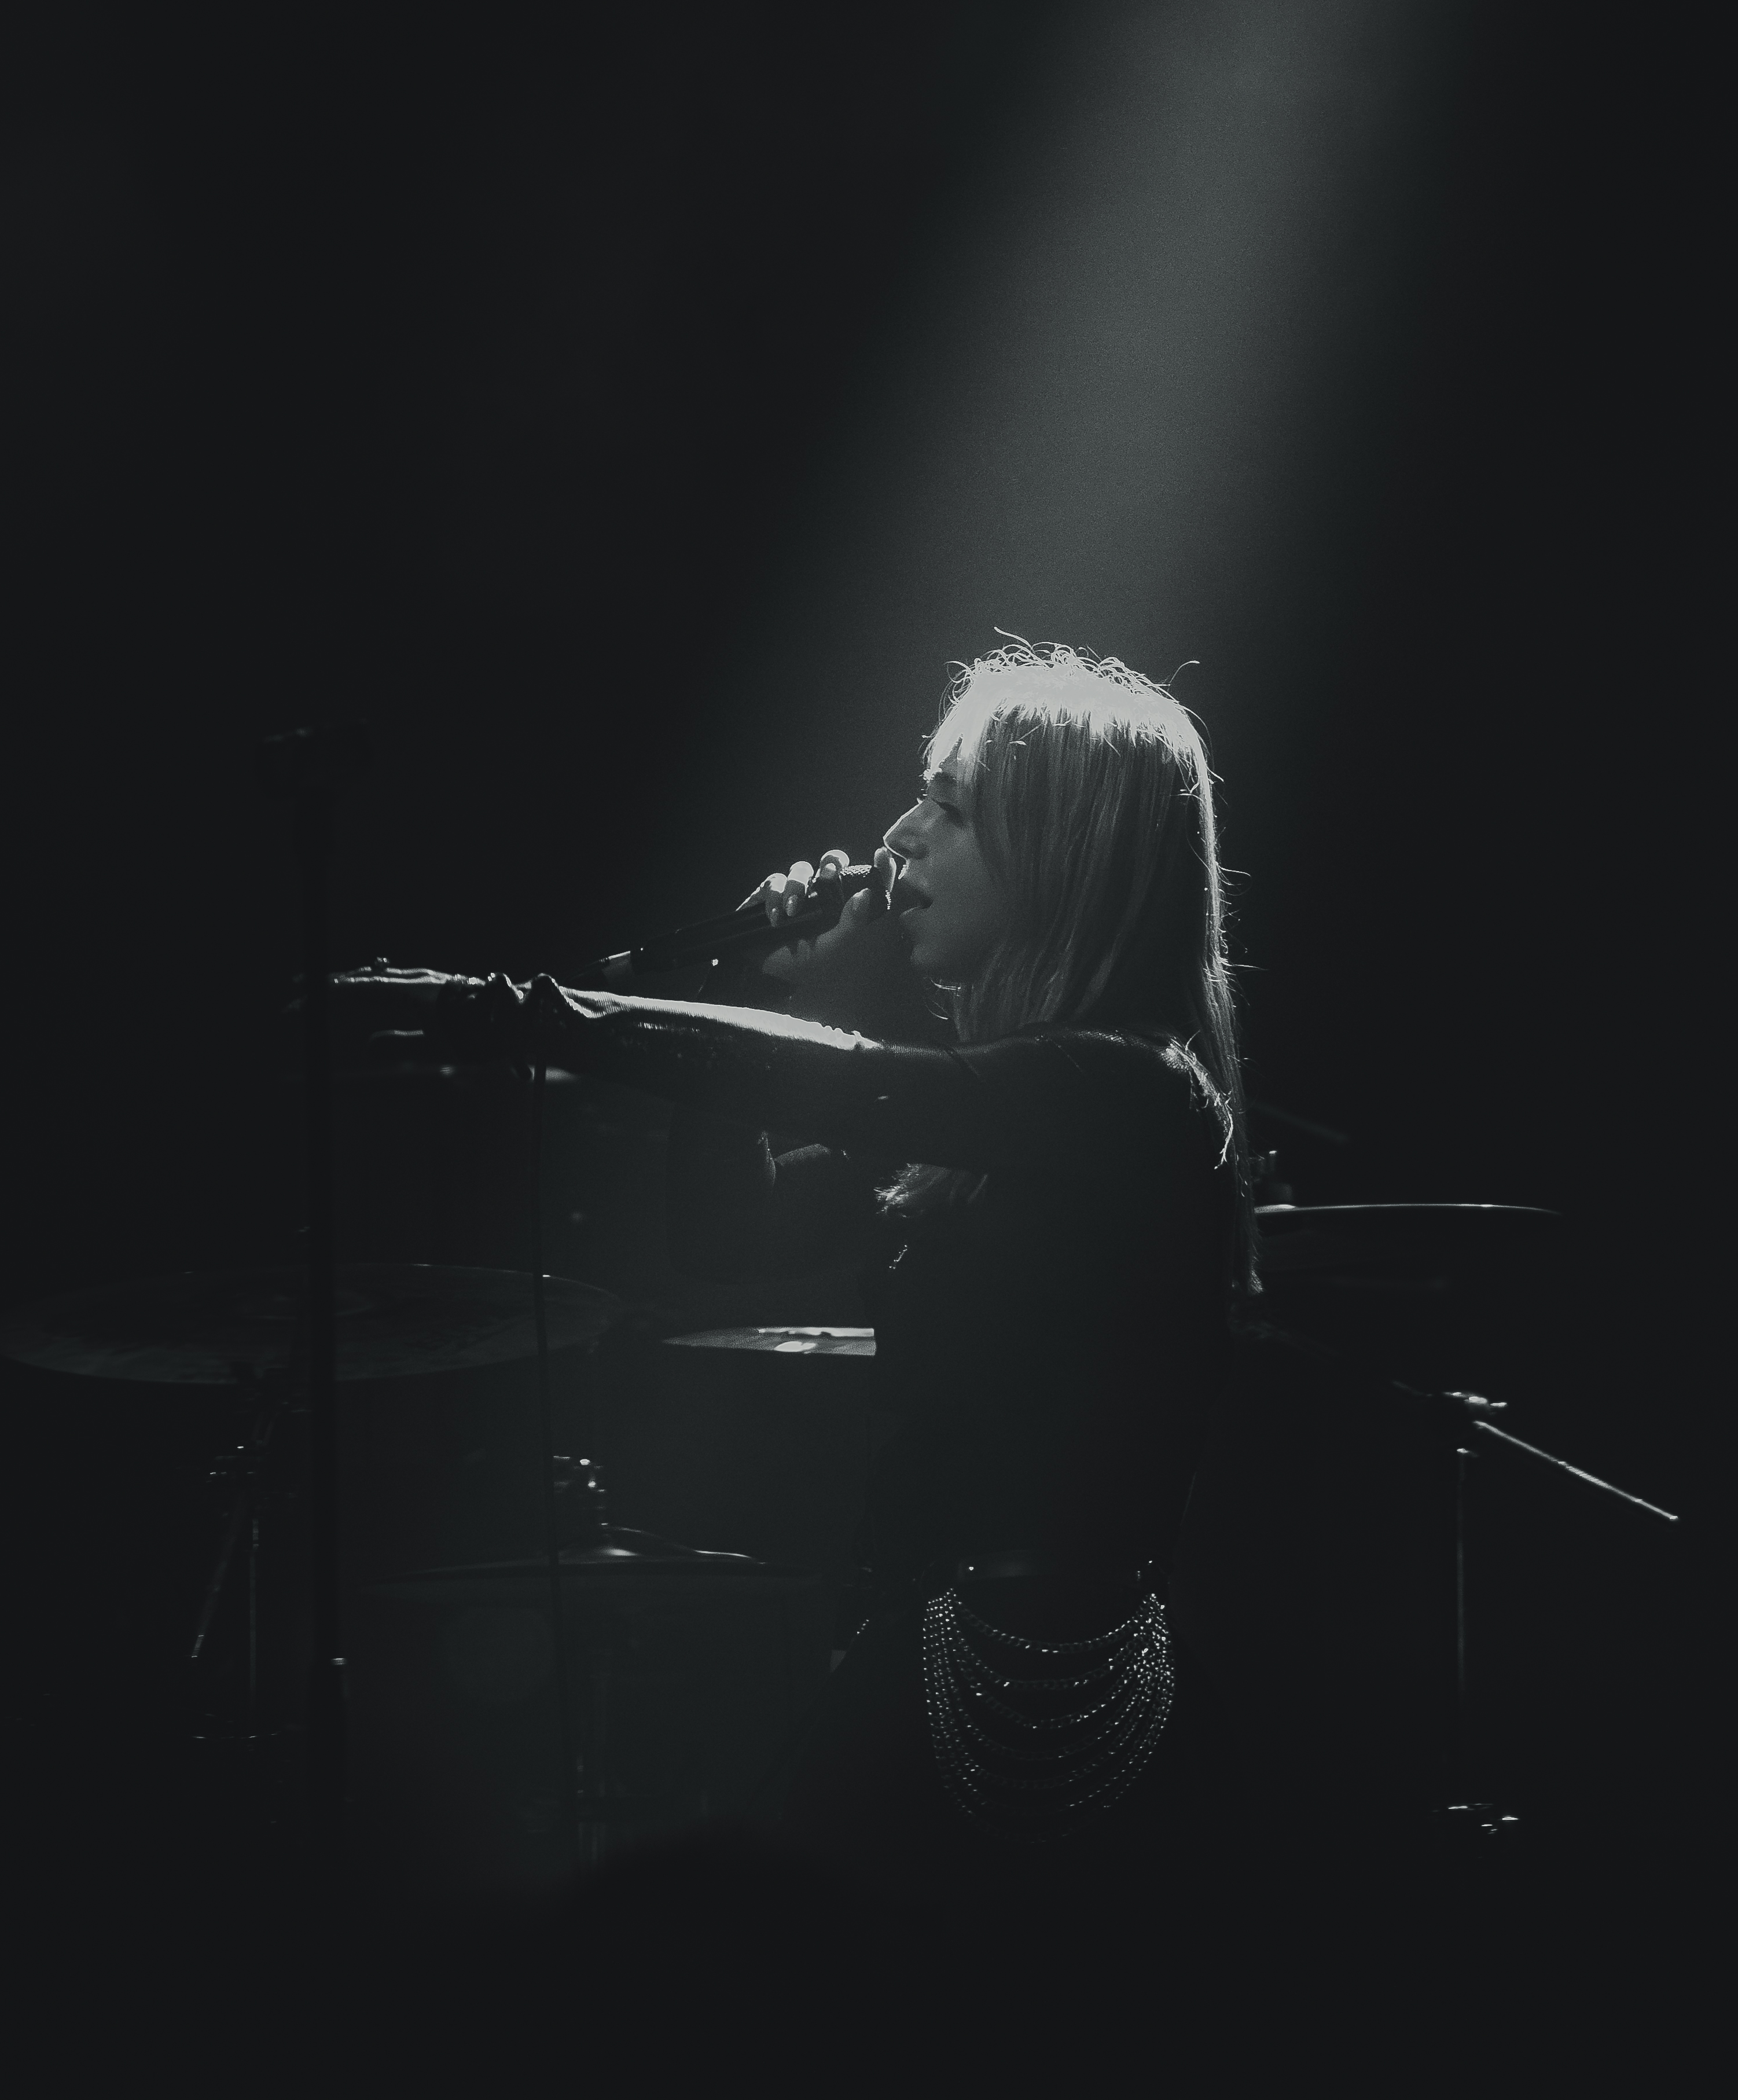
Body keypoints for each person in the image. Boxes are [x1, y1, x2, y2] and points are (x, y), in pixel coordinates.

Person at [348, 640, 1252, 1939]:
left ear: (1063, 851)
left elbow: (856, 1086)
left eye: (950, 807)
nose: (899, 836)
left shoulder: (1133, 1093)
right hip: (935, 1650)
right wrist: (754, 979)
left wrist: (526, 1012)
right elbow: (730, 1236)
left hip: (1060, 1682)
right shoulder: (985, 1130)